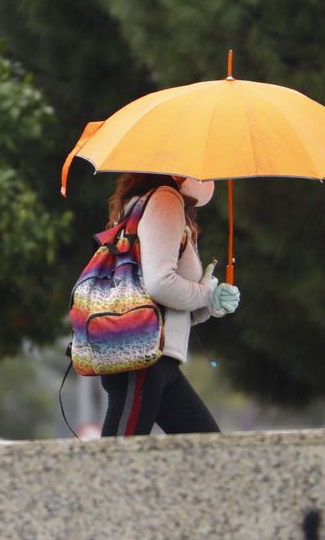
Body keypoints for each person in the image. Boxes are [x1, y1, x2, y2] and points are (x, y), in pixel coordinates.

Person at [100, 172, 240, 437]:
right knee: (114, 462)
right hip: (144, 357)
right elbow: (160, 284)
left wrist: (211, 302)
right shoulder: (165, 199)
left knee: (210, 453)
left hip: (159, 360)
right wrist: (207, 295)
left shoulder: (156, 202)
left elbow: (172, 302)